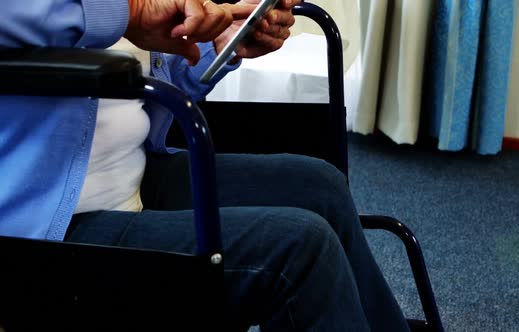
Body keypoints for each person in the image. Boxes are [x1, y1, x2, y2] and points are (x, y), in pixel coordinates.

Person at [0, 0, 410, 331]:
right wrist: (128, 11)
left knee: (320, 186)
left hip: (132, 171)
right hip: (45, 220)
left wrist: (221, 42)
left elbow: (156, 68)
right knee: (300, 248)